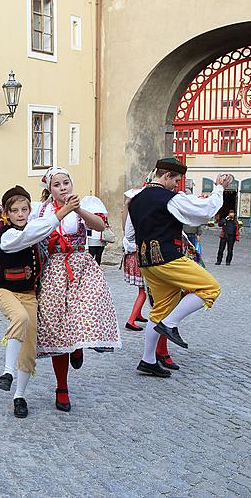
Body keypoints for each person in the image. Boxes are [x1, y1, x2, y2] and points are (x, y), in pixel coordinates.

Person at [127, 158, 228, 378]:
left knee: (159, 309)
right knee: (210, 288)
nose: (176, 185)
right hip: (167, 258)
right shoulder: (168, 198)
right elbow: (205, 212)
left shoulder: (136, 199)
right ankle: (170, 324)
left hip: (146, 262)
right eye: (176, 180)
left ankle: (148, 360)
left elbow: (131, 234)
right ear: (165, 176)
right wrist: (219, 188)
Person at [35, 166, 121, 411]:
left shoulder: (83, 206)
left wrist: (77, 208)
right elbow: (35, 234)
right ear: (50, 190)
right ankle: (61, 386)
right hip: (53, 269)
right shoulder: (41, 210)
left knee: (86, 312)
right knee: (56, 327)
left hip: (79, 266)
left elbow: (100, 226)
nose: (63, 188)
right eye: (57, 185)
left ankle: (79, 347)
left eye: (66, 183)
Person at [0, 185, 65, 418]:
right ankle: (7, 372)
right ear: (7, 213)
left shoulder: (33, 227)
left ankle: (19, 396)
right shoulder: (8, 235)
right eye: (15, 210)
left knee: (29, 347)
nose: (21, 214)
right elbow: (28, 236)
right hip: (6, 291)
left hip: (30, 294)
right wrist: (61, 214)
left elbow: (40, 233)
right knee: (20, 318)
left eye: (24, 209)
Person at [122, 188, 149, 332]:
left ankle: (137, 314)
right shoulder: (137, 214)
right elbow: (132, 235)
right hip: (138, 254)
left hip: (134, 253)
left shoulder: (130, 212)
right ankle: (131, 320)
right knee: (144, 290)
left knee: (142, 289)